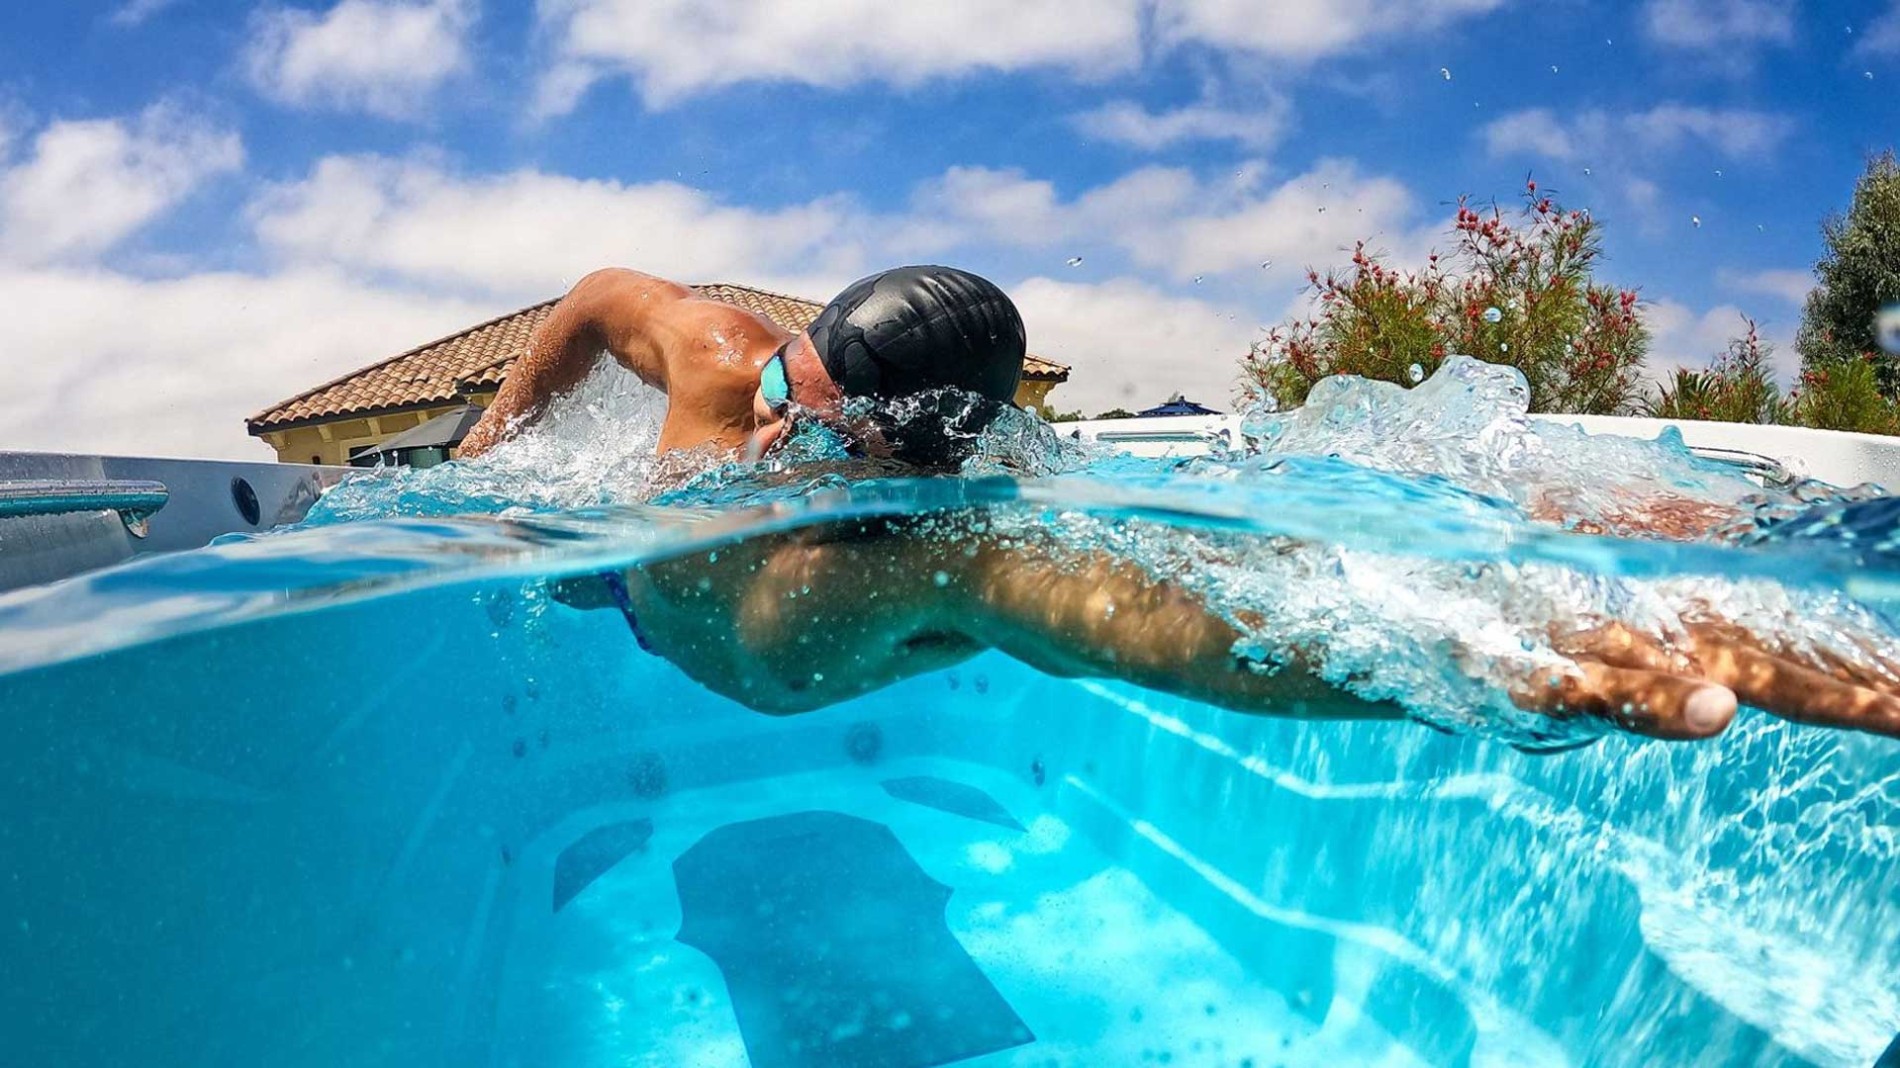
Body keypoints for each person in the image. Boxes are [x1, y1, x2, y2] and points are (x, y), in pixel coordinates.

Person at [464, 265, 1900, 742]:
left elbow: (1142, 612)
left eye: (826, 439)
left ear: (922, 462)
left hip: (722, 620)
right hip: (629, 583)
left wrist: (1465, 668)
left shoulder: (921, 556)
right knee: (557, 569)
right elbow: (592, 299)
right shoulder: (723, 355)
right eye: (791, 384)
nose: (774, 429)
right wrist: (493, 445)